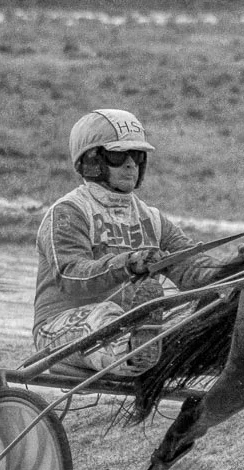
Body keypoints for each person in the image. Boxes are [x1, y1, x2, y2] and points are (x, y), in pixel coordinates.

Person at [32, 109, 208, 376]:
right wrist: (126, 264)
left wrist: (239, 267)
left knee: (198, 312)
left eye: (137, 155)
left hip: (128, 325)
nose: (131, 165)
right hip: (60, 330)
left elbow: (191, 265)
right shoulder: (68, 212)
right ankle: (135, 350)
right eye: (118, 156)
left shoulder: (152, 218)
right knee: (105, 315)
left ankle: (146, 345)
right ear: (92, 160)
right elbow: (71, 277)